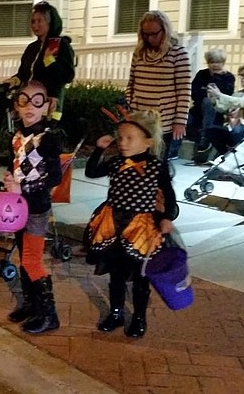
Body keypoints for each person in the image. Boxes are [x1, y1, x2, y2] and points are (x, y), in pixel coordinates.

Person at [83, 108, 178, 338]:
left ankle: (139, 317)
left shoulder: (157, 166)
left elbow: (169, 194)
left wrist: (167, 218)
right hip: (113, 224)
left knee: (140, 276)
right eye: (121, 137)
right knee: (116, 272)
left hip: (141, 227)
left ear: (147, 141)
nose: (123, 143)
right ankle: (116, 312)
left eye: (129, 138)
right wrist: (100, 149)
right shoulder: (116, 162)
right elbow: (91, 172)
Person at [2, 80, 63, 334]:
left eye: (37, 101)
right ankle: (32, 304)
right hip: (18, 207)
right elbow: (16, 165)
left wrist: (23, 189)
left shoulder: (47, 138)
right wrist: (9, 178)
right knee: (23, 254)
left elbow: (55, 177)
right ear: (17, 105)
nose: (30, 106)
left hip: (36, 206)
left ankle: (49, 314)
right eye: (24, 100)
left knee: (31, 259)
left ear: (46, 106)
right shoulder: (17, 135)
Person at [125, 10, 191, 161]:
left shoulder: (178, 54)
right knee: (136, 162)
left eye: (154, 34)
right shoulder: (139, 53)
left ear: (165, 30)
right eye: (146, 34)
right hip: (139, 117)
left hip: (163, 121)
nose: (150, 38)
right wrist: (130, 102)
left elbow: (184, 90)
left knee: (158, 164)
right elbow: (132, 82)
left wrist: (180, 121)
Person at [5, 1, 75, 121]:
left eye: (39, 21)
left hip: (50, 103)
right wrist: (14, 80)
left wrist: (49, 60)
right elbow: (23, 73)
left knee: (45, 137)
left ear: (50, 23)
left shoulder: (59, 45)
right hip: (29, 102)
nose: (35, 25)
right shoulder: (32, 47)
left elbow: (67, 76)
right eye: (33, 21)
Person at [203, 63, 244, 157]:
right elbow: (224, 108)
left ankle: (234, 156)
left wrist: (219, 95)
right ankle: (226, 156)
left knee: (237, 131)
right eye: (240, 76)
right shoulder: (239, 93)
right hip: (233, 126)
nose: (242, 78)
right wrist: (214, 100)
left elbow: (243, 102)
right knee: (211, 130)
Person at [189, 49, 236, 161]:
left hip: (217, 111)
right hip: (198, 110)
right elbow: (194, 93)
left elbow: (226, 95)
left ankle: (205, 138)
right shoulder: (201, 74)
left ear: (223, 63)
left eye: (218, 62)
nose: (215, 65)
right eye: (212, 62)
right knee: (186, 122)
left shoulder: (228, 77)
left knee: (208, 102)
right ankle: (203, 136)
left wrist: (216, 78)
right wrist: (209, 94)